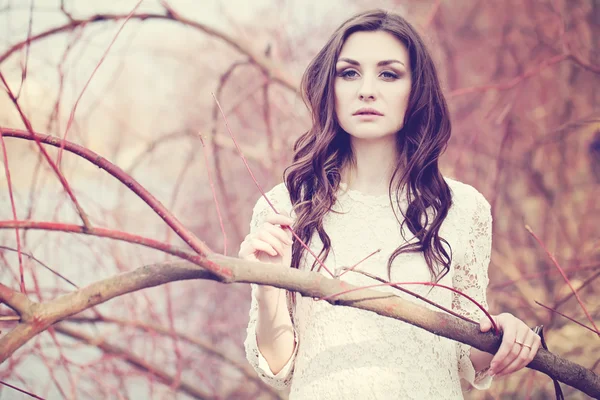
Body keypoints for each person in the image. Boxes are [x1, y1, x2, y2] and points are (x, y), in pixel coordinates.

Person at [239, 9, 541, 399]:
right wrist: (268, 288)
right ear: (329, 88)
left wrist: (505, 335)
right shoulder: (286, 207)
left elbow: (466, 359)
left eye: (388, 73)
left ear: (416, 89)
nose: (366, 89)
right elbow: (279, 370)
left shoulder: (462, 208)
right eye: (349, 73)